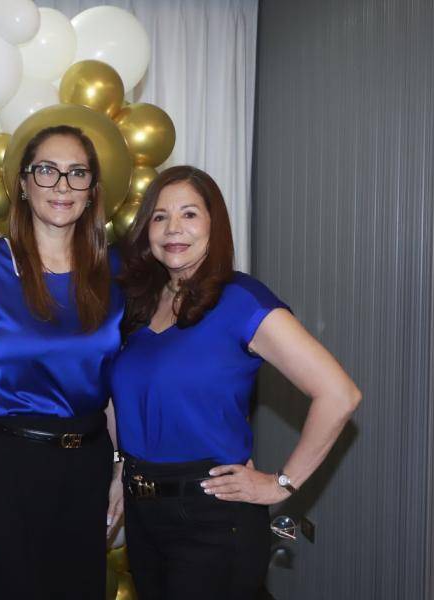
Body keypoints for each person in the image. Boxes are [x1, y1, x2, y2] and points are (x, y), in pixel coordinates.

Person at [112, 165, 362, 600]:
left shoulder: (241, 300)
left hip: (211, 516)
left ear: (215, 226)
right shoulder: (140, 305)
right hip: (143, 513)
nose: (174, 228)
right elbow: (128, 402)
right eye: (160, 216)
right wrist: (121, 469)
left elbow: (339, 394)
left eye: (189, 214)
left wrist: (281, 483)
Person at [0, 125, 125, 600]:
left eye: (76, 174)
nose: (62, 187)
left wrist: (121, 471)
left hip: (88, 467)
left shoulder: (116, 275)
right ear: (22, 184)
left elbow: (115, 386)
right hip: (6, 470)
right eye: (47, 171)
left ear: (92, 190)